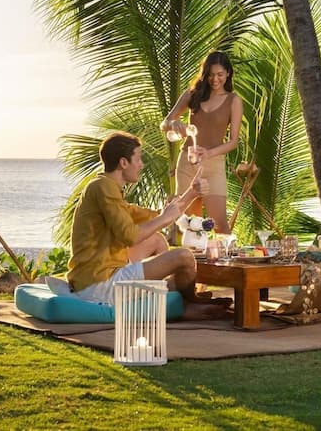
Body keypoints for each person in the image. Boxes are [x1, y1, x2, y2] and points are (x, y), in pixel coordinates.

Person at [66, 131, 229, 319]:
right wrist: (164, 218)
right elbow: (130, 236)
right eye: (138, 159)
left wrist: (192, 193)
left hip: (100, 277)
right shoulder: (103, 187)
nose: (141, 164)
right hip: (99, 285)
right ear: (123, 162)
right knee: (184, 256)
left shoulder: (107, 188)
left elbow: (163, 215)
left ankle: (173, 296)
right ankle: (185, 305)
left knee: (156, 240)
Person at [160, 51, 243, 235]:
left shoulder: (233, 101)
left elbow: (233, 142)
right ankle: (193, 256)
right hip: (187, 162)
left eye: (220, 74)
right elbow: (164, 123)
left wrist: (209, 153)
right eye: (211, 74)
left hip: (214, 166)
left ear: (228, 73)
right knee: (191, 225)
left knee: (220, 225)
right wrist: (173, 124)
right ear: (205, 74)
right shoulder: (193, 94)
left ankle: (225, 254)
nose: (215, 79)